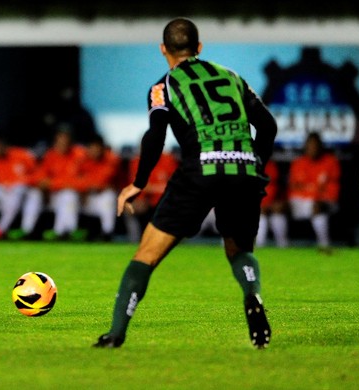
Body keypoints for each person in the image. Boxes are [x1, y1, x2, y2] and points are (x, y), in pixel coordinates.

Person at [94, 18, 277, 349]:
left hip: (199, 172)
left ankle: (116, 334)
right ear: (199, 48)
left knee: (146, 255)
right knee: (239, 250)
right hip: (243, 172)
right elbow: (268, 125)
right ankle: (252, 296)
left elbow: (155, 136)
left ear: (163, 49)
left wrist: (138, 182)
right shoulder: (233, 78)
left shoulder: (163, 86)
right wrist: (255, 163)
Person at [287, 132, 341, 253]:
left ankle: (325, 246)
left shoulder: (330, 162)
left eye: (315, 145)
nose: (313, 148)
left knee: (318, 207)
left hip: (325, 202)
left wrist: (311, 191)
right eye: (310, 145)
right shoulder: (298, 163)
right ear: (305, 147)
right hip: (301, 202)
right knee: (277, 208)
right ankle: (280, 247)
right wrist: (313, 190)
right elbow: (294, 189)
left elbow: (332, 190)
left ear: (321, 146)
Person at [0, 137, 38, 240]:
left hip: (20, 192)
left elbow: (36, 174)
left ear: (6, 146)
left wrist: (20, 181)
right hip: (2, 193)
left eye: (0, 146)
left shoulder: (20, 155)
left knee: (22, 191)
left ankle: (1, 229)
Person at [256, 158, 289, 247]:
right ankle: (259, 247)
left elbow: (279, 189)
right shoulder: (244, 166)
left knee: (277, 215)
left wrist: (277, 203)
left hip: (271, 205)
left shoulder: (271, 166)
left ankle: (283, 247)